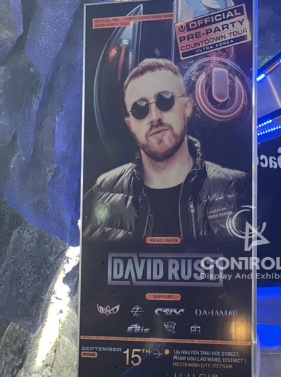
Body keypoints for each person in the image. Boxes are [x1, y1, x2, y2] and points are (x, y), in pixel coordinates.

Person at [83, 58, 250, 241]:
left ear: (187, 107)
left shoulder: (238, 187)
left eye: (165, 100)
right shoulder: (103, 191)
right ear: (131, 125)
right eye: (139, 109)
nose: (154, 117)